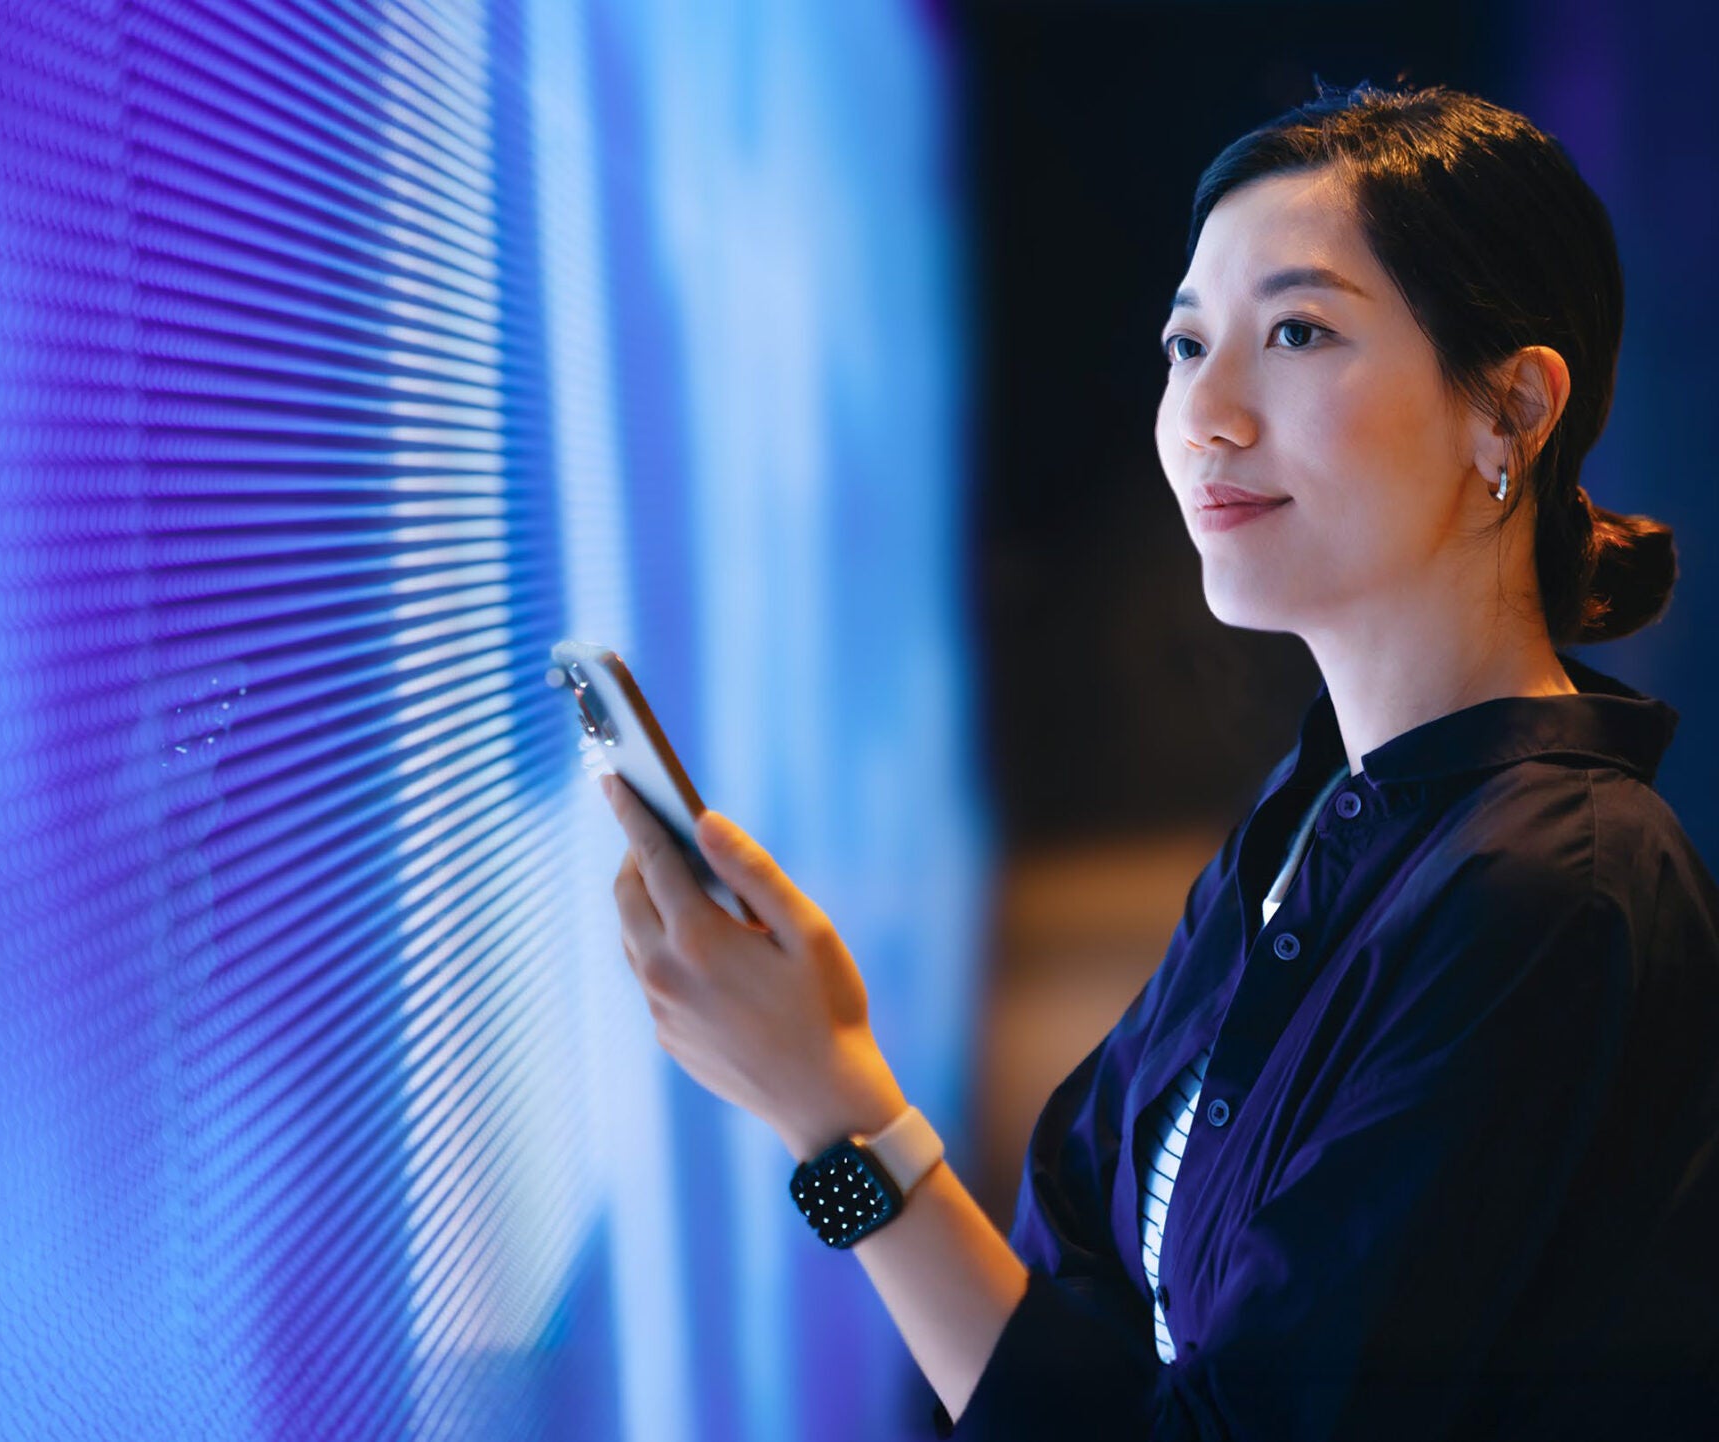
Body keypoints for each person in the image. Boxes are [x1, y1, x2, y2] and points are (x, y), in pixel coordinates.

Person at [597, 82, 1717, 1439]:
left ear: (1511, 412)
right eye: (1189, 344)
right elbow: (1069, 1295)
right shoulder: (1317, 814)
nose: (1207, 415)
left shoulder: (1550, 894)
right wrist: (829, 1109)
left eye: (1299, 332)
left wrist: (830, 1104)